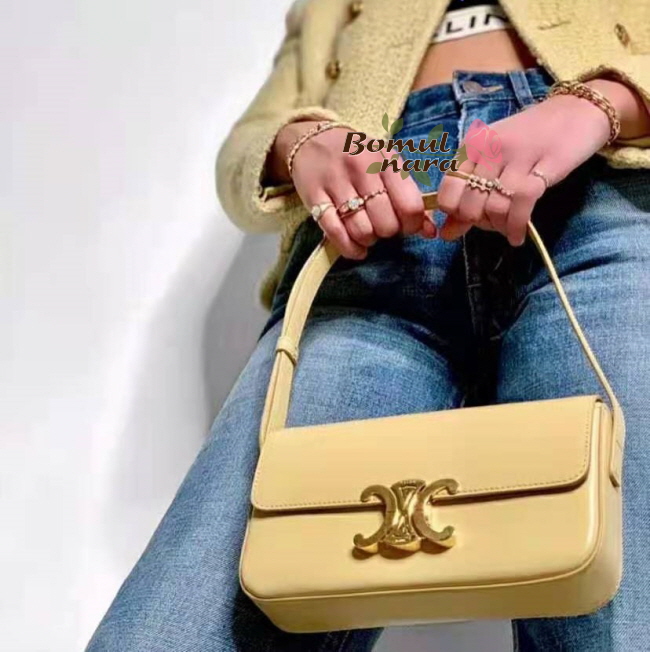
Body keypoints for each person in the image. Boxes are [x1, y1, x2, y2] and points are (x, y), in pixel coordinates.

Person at [86, 0, 650, 650]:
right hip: (367, 253)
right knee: (183, 620)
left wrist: (601, 102)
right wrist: (302, 143)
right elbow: (249, 140)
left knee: (624, 614)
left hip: (601, 207)